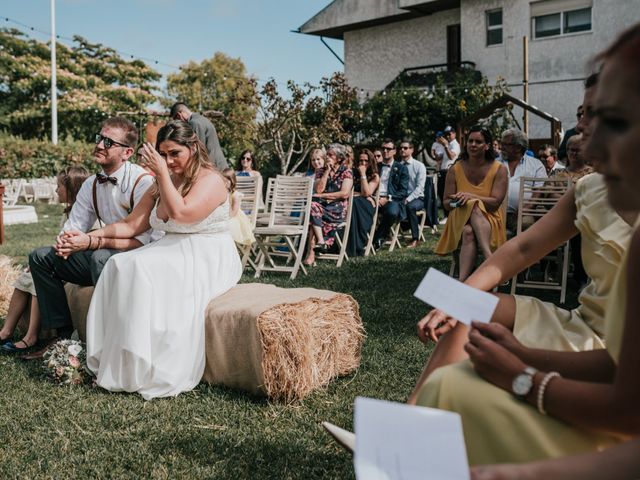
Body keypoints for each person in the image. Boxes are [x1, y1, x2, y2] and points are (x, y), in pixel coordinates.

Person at [410, 24, 640, 464]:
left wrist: (525, 371)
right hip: (579, 322)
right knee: (469, 305)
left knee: (467, 322)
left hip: (604, 350)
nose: (585, 127)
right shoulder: (588, 190)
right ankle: (407, 427)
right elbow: (518, 250)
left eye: (605, 116)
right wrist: (455, 298)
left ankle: (422, 446)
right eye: (586, 113)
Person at [64, 121, 242, 400]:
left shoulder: (211, 180)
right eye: (163, 154)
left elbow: (182, 214)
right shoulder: (163, 179)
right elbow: (132, 225)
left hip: (206, 252)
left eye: (175, 154)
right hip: (170, 248)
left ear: (193, 148)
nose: (169, 161)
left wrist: (161, 174)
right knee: (117, 265)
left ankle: (148, 362)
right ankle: (124, 361)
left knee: (138, 268)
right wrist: (90, 238)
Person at [28, 117, 156, 349]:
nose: (99, 145)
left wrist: (89, 242)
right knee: (41, 257)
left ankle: (111, 342)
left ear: (127, 153)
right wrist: (65, 242)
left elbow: (142, 241)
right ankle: (63, 338)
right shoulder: (90, 184)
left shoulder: (142, 182)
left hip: (142, 259)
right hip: (102, 254)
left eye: (108, 142)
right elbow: (74, 224)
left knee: (101, 257)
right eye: (99, 138)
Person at [0, 166, 89, 353]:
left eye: (59, 186)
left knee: (36, 279)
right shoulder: (68, 212)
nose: (56, 190)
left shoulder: (87, 215)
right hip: (62, 259)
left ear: (72, 189)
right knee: (24, 277)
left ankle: (31, 337)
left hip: (72, 264)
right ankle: (6, 331)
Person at [434, 127, 508, 281]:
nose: (473, 144)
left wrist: (471, 197)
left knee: (469, 230)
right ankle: (490, 258)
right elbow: (447, 204)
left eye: (478, 142)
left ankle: (462, 282)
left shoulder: (499, 169)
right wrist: (460, 202)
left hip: (490, 219)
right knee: (471, 207)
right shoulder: (455, 169)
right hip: (459, 218)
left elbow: (495, 203)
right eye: (470, 141)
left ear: (487, 145)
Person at [304, 143, 354, 265]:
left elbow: (344, 194)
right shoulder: (321, 171)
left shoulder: (346, 172)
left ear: (339, 158)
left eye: (331, 155)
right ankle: (321, 242)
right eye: (327, 155)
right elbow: (319, 189)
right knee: (313, 207)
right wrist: (327, 171)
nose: (327, 157)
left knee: (314, 217)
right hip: (323, 208)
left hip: (337, 210)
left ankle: (310, 255)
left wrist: (322, 196)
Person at [499, 128, 547, 234]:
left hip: (524, 213)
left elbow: (538, 191)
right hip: (496, 212)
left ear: (518, 147)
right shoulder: (495, 163)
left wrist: (526, 209)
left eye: (506, 144)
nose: (501, 147)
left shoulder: (535, 165)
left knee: (526, 226)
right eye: (501, 143)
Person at [372, 139, 409, 249]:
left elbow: (403, 192)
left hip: (392, 199)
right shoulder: (375, 167)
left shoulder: (402, 168)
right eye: (383, 148)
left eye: (388, 149)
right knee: (361, 208)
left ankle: (378, 237)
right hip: (374, 198)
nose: (385, 151)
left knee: (392, 212)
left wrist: (388, 198)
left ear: (394, 151)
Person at [170, 102, 228, 171]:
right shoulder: (202, 119)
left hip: (213, 168)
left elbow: (198, 150)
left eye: (177, 120)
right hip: (219, 165)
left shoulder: (194, 123)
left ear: (179, 115)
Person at [346, 149, 380, 257]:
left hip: (366, 205)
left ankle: (357, 245)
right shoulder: (352, 173)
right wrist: (356, 193)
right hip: (354, 201)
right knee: (353, 202)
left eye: (366, 161)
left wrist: (363, 174)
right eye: (361, 161)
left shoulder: (374, 176)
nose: (363, 163)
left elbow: (366, 193)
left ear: (371, 162)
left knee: (355, 203)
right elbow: (347, 190)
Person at [399, 139, 427, 248]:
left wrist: (408, 198)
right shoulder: (398, 165)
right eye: (401, 148)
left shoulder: (419, 166)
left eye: (405, 148)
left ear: (412, 150)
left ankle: (415, 238)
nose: (402, 150)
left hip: (417, 198)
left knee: (410, 206)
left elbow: (420, 188)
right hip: (401, 197)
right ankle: (388, 234)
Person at [222, 167, 255, 247]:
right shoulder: (221, 194)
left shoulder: (235, 195)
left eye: (227, 180)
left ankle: (228, 246)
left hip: (235, 218)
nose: (225, 182)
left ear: (232, 181)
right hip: (225, 216)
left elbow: (233, 213)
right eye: (223, 180)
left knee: (228, 225)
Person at [435, 126, 461, 219]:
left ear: (454, 134)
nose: (448, 136)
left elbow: (451, 157)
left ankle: (449, 216)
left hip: (449, 172)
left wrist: (445, 146)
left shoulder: (455, 145)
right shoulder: (447, 144)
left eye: (449, 134)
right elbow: (438, 158)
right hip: (443, 171)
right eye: (446, 134)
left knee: (448, 195)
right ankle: (446, 215)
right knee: (441, 194)